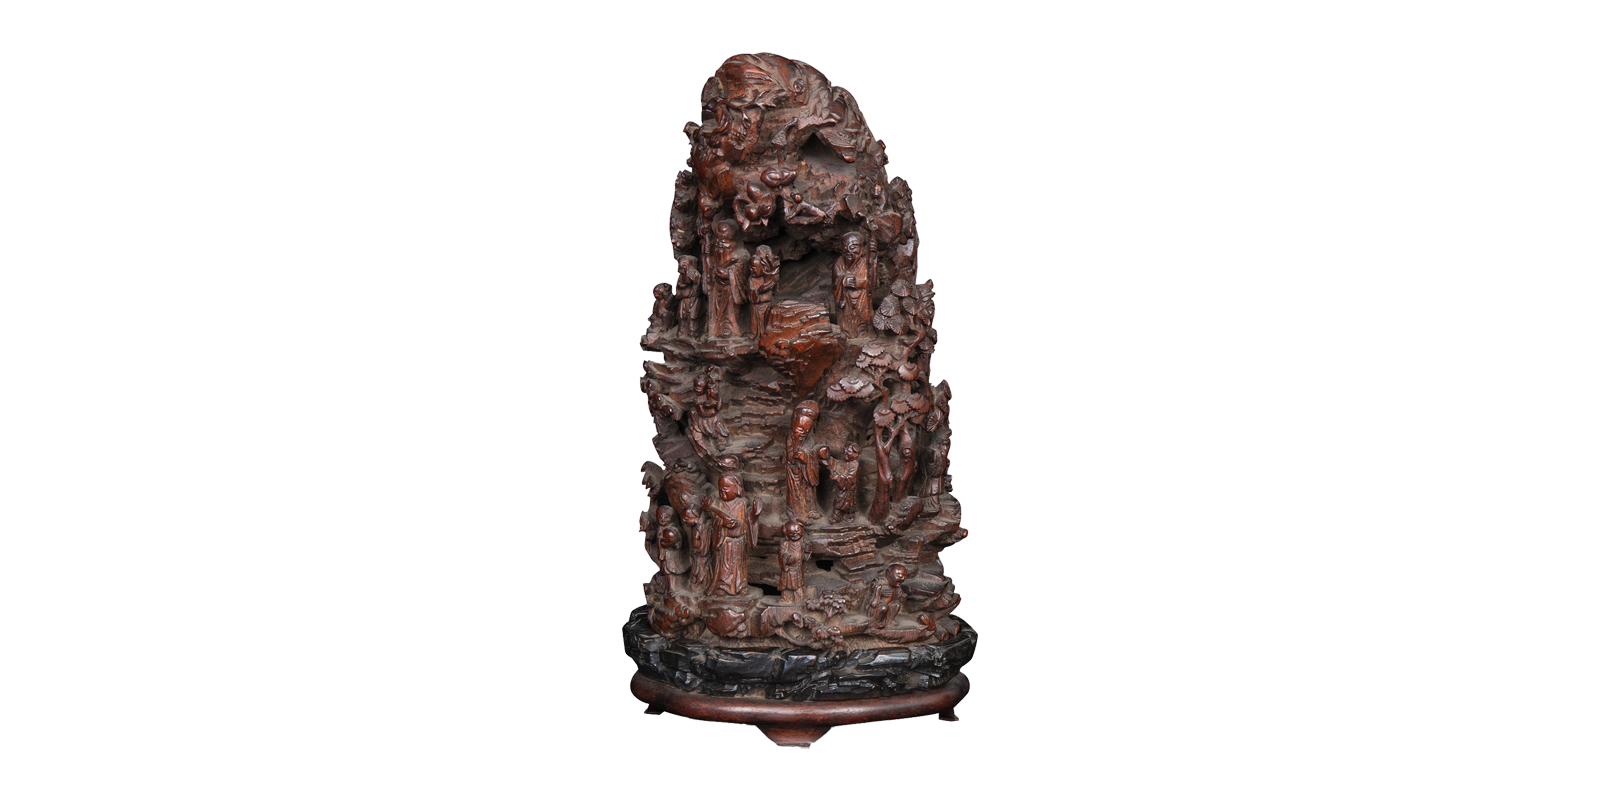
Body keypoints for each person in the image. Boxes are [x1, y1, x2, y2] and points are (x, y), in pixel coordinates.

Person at [703, 474, 759, 597]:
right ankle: (722, 587)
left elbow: (748, 520)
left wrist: (754, 514)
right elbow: (714, 522)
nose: (722, 491)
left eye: (726, 488)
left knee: (738, 568)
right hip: (724, 542)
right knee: (724, 568)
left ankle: (740, 587)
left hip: (738, 542)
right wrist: (721, 524)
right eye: (720, 488)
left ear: (737, 489)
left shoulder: (742, 503)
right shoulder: (717, 504)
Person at [704, 220, 746, 338]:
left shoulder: (740, 254)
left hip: (731, 289)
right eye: (717, 238)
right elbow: (711, 266)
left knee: (730, 311)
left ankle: (731, 328)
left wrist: (728, 274)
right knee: (717, 312)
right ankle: (717, 330)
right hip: (718, 288)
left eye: (724, 240)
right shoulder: (716, 250)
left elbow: (740, 269)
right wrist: (708, 257)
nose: (719, 243)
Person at [784, 401, 822, 521]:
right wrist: (795, 453)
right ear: (793, 422)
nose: (803, 432)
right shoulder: (790, 438)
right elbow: (789, 458)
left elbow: (813, 457)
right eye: (800, 428)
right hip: (794, 473)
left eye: (807, 430)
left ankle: (810, 510)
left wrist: (805, 457)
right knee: (795, 494)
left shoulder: (810, 440)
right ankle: (796, 512)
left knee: (808, 493)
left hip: (806, 474)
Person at [832, 232, 873, 338]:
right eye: (845, 247)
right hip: (846, 300)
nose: (849, 250)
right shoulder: (839, 263)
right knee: (845, 322)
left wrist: (858, 283)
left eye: (853, 246)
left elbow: (871, 283)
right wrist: (843, 281)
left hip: (861, 298)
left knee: (862, 321)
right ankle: (845, 334)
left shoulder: (865, 263)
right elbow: (835, 283)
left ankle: (862, 334)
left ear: (862, 248)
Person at [820, 442, 861, 523]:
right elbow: (836, 463)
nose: (845, 452)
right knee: (838, 501)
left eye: (848, 451)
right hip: (841, 488)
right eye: (845, 450)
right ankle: (837, 517)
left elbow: (851, 478)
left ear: (855, 454)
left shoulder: (855, 464)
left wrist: (838, 477)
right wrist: (828, 459)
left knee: (847, 503)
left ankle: (846, 516)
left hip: (849, 489)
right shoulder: (844, 462)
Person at [747, 245, 780, 339]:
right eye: (750, 267)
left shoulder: (767, 278)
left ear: (762, 268)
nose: (751, 270)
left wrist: (773, 280)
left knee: (768, 322)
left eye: (754, 268)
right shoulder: (751, 280)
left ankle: (767, 336)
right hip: (757, 308)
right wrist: (760, 290)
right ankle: (755, 335)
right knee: (756, 325)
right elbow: (751, 296)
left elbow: (775, 290)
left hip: (768, 305)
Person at [867, 564, 908, 629]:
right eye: (899, 576)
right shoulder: (879, 581)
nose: (903, 578)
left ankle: (889, 620)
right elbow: (873, 603)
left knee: (897, 605)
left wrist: (903, 596)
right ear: (888, 574)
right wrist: (879, 591)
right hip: (875, 609)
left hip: (888, 607)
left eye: (904, 576)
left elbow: (900, 598)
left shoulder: (897, 585)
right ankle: (876, 622)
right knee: (883, 607)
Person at [674, 255, 702, 338]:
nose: (680, 269)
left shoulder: (697, 276)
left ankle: (692, 334)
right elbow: (679, 288)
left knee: (693, 318)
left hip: (694, 300)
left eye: (684, 265)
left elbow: (698, 291)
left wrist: (696, 282)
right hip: (684, 300)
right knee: (682, 317)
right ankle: (681, 333)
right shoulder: (681, 277)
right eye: (679, 265)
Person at [778, 520, 806, 603]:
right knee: (787, 586)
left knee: (798, 585)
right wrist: (787, 559)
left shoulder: (801, 542)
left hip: (797, 569)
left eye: (797, 530)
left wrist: (807, 551)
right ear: (786, 535)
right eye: (791, 533)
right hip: (788, 570)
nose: (795, 534)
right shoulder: (784, 543)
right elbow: (781, 555)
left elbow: (805, 556)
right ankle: (786, 600)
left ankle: (799, 599)